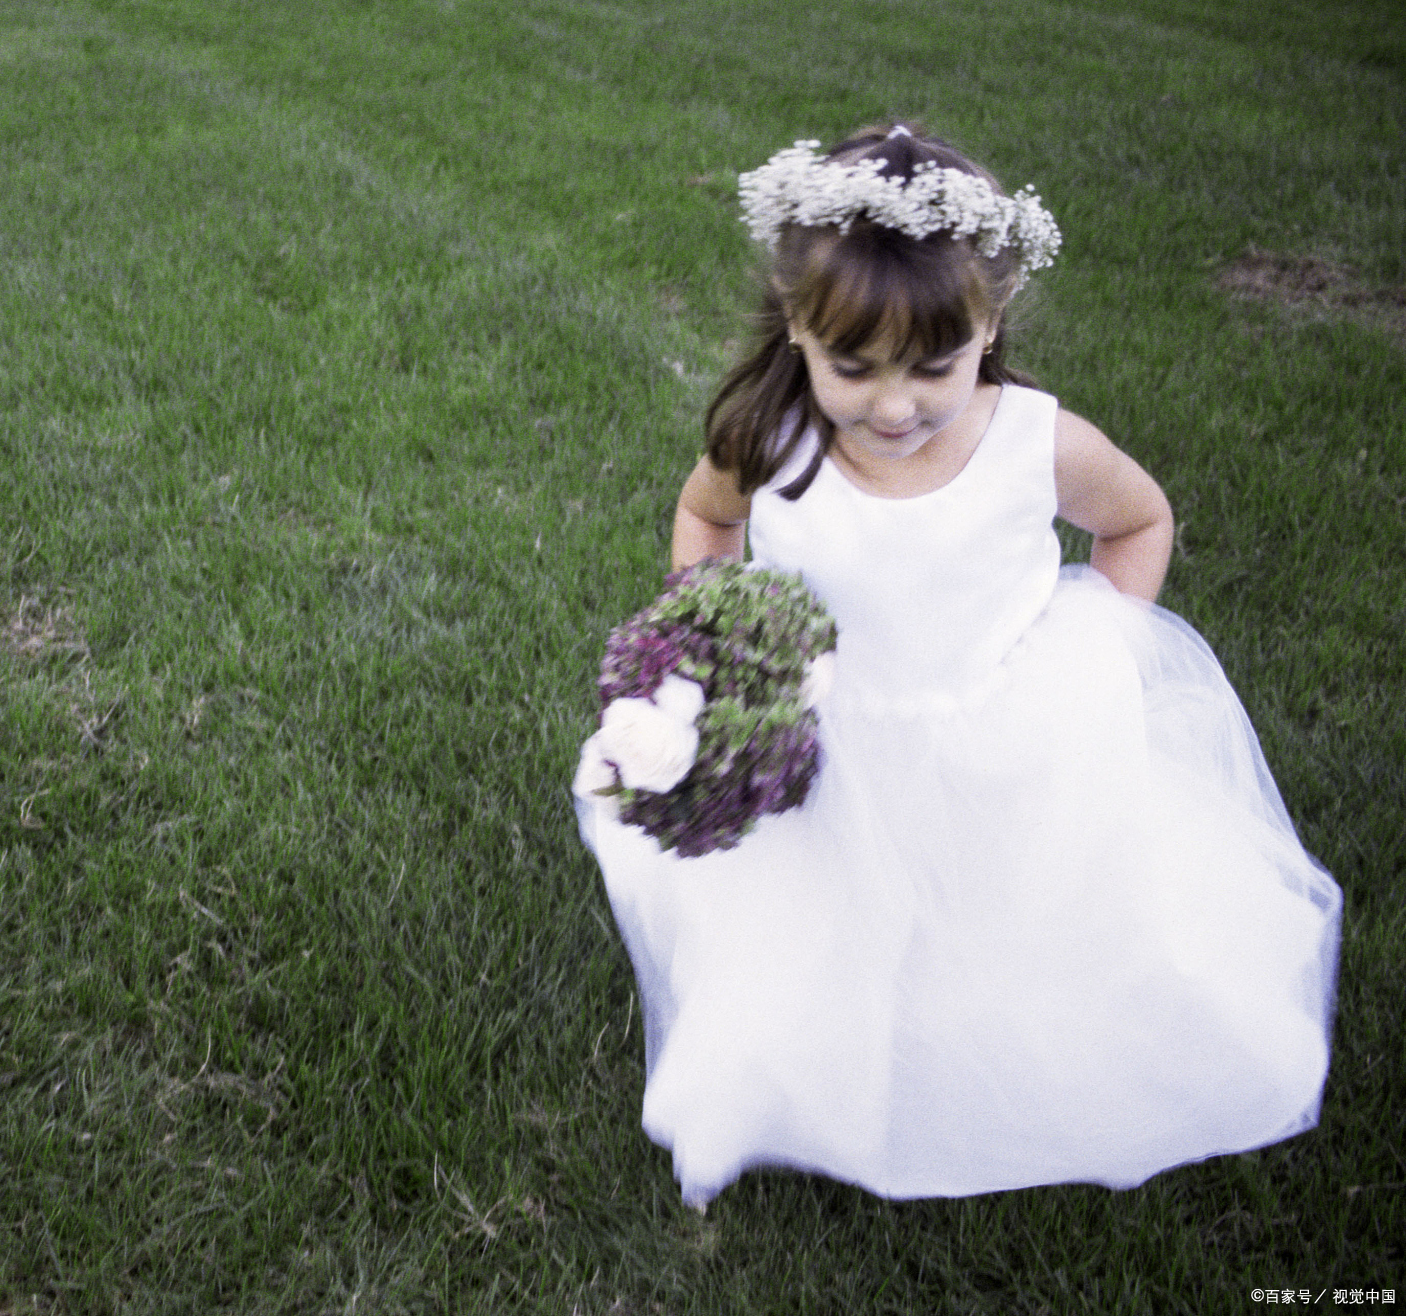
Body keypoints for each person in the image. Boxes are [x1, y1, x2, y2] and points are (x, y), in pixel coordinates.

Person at [574, 124, 1341, 1205]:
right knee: (822, 919)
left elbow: (1137, 521)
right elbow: (704, 520)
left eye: (934, 366)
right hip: (827, 742)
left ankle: (993, 1054)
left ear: (991, 321)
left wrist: (1092, 644)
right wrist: (710, 633)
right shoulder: (770, 435)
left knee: (1001, 910)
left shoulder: (1035, 442)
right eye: (854, 367)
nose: (894, 406)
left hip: (997, 725)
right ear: (795, 325)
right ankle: (820, 1063)